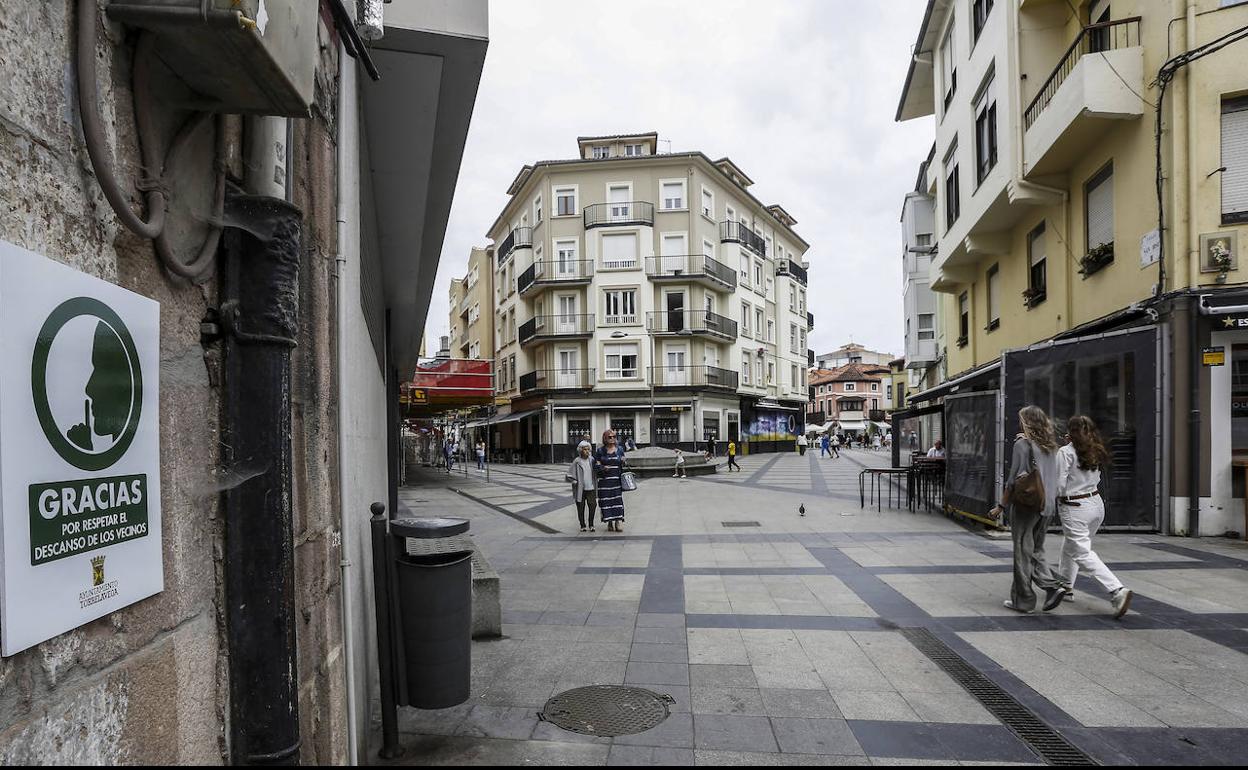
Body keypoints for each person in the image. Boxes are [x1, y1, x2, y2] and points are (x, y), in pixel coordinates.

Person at [1054, 416, 1133, 618]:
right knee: (1072, 543)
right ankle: (1065, 585)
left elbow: (1059, 485)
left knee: (1082, 552)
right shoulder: (1095, 449)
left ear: (1070, 433)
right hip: (1096, 504)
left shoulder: (1065, 452)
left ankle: (1117, 590)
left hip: (1074, 505)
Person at [990, 406, 1064, 614]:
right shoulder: (1051, 446)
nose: (1018, 423)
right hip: (1048, 505)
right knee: (1036, 549)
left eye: (1021, 419)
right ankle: (1044, 589)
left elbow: (1013, 480)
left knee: (1022, 552)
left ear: (1027, 422)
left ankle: (1026, 600)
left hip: (1028, 505)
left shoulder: (1022, 445)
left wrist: (1001, 506)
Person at [594, 429, 628, 532]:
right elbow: (596, 464)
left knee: (617, 501)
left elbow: (624, 463)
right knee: (606, 502)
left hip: (616, 480)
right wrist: (603, 468)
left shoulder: (620, 449)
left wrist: (624, 461)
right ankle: (609, 522)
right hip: (605, 482)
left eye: (614, 437)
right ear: (605, 438)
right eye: (610, 437)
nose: (612, 438)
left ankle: (617, 522)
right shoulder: (600, 451)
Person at [566, 440, 597, 532]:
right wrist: (574, 481)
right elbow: (569, 475)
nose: (587, 451)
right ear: (580, 451)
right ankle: (582, 525)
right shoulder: (577, 461)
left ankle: (591, 524)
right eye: (585, 450)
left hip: (591, 487)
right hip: (580, 489)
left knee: (593, 505)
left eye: (588, 449)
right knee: (580, 507)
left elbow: (597, 470)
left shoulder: (592, 460)